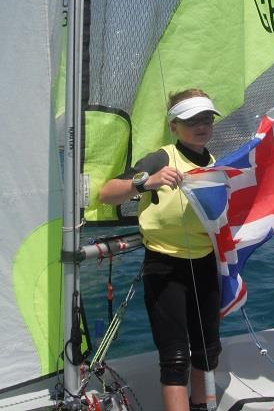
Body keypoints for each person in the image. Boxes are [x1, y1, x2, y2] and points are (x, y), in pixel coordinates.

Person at [99, 89, 221, 411]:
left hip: (205, 264)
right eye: (192, 119)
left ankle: (200, 407)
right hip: (165, 267)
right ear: (174, 126)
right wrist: (146, 182)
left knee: (208, 352)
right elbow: (107, 193)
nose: (202, 125)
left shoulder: (216, 164)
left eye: (207, 118)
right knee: (176, 358)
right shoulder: (160, 158)